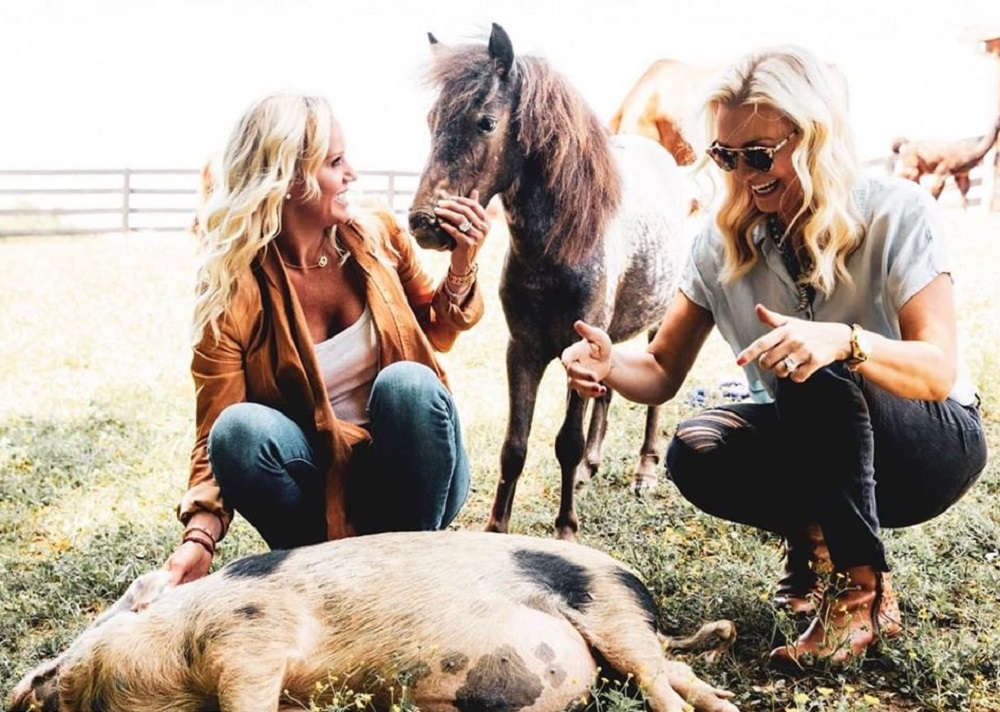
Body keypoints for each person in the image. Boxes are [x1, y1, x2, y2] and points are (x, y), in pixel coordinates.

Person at [561, 46, 986, 666]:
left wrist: (845, 340)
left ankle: (859, 593)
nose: (742, 173)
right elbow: (658, 370)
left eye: (760, 154)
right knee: (696, 447)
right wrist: (607, 364)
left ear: (814, 139)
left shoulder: (899, 212)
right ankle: (819, 540)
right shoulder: (722, 240)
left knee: (814, 367)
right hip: (820, 440)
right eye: (726, 156)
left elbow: (937, 370)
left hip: (931, 445)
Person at [165, 93, 491, 585]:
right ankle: (323, 567)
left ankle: (410, 561)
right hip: (322, 491)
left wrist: (462, 266)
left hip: (415, 470)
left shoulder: (376, 232)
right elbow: (213, 437)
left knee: (406, 385)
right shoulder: (234, 293)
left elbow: (437, 333)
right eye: (336, 162)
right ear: (291, 180)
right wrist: (199, 540)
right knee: (236, 431)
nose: (352, 174)